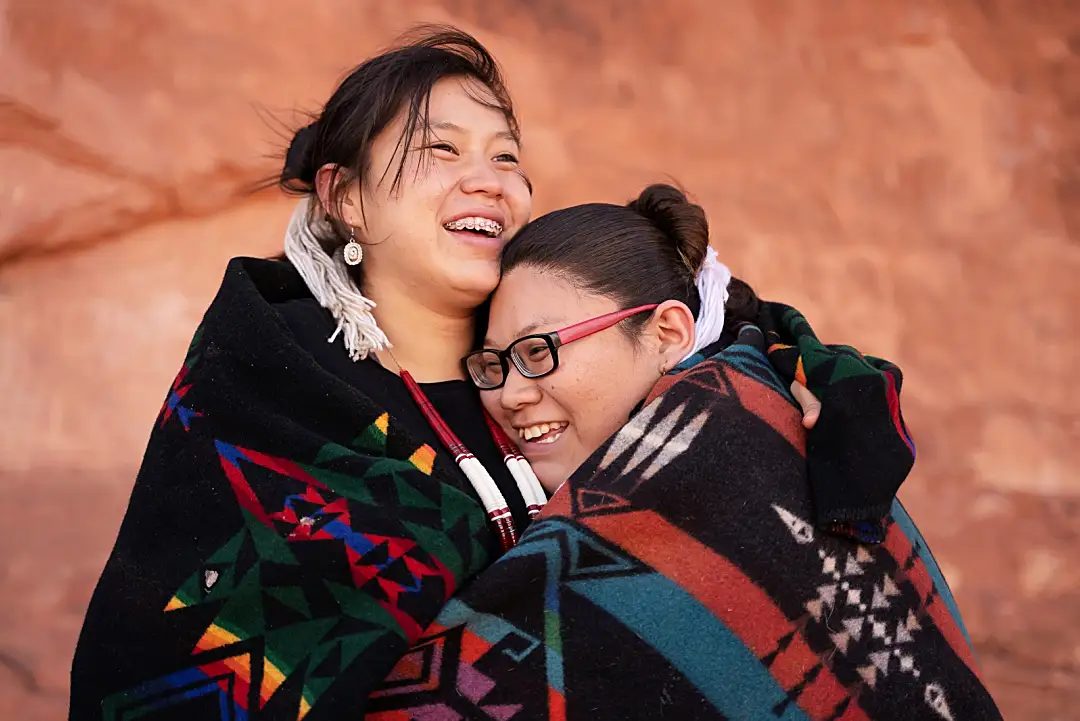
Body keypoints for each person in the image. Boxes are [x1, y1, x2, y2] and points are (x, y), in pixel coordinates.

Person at [69, 27, 894, 721]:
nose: (489, 178)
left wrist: (803, 368)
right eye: (441, 150)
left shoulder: (564, 358)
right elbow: (166, 668)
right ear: (344, 197)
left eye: (507, 155)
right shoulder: (267, 394)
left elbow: (707, 318)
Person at [366, 185, 1002, 719]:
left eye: (539, 351)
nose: (510, 395)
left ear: (667, 332)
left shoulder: (728, 451)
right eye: (494, 365)